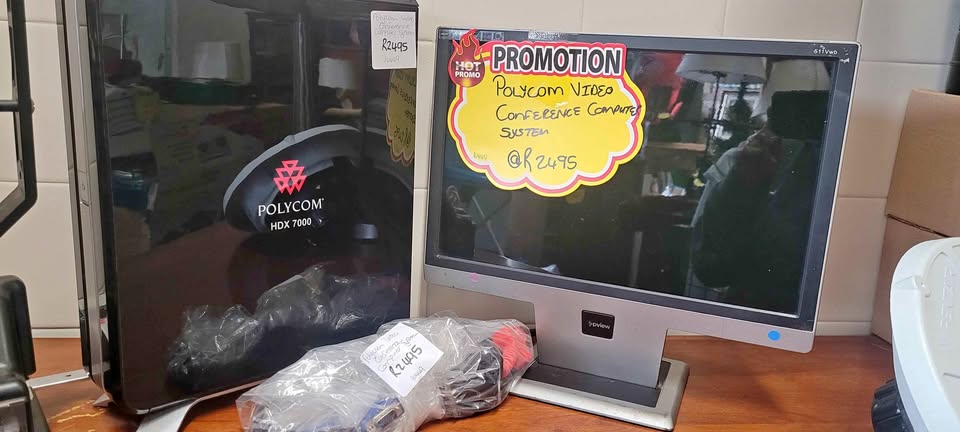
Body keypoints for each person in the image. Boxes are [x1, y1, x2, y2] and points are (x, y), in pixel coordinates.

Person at [690, 91, 826, 313]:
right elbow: (710, 266)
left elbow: (712, 267)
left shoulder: (815, 166)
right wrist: (742, 182)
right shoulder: (766, 161)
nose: (759, 136)